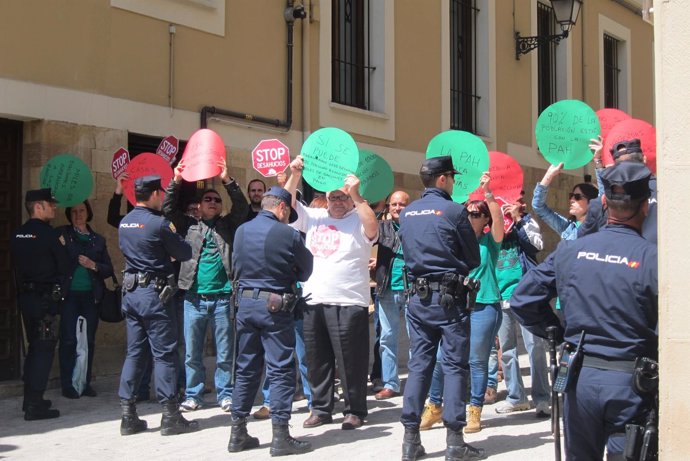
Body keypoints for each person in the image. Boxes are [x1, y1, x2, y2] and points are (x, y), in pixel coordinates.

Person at [510, 161, 658, 460]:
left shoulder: (570, 251)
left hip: (581, 377)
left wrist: (558, 332)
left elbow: (522, 299)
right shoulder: (654, 258)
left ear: (603, 203)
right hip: (631, 382)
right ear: (646, 207)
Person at [398, 156, 485, 461]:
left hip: (418, 298)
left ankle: (410, 440)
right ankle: (454, 442)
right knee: (454, 366)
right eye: (452, 177)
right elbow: (473, 257)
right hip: (449, 300)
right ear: (442, 179)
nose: (454, 182)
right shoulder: (453, 210)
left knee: (419, 365)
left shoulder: (406, 213)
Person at [285, 156, 378, 430]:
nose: (338, 201)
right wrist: (294, 175)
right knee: (317, 360)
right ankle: (321, 408)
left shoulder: (358, 217)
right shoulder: (314, 217)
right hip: (314, 301)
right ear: (326, 199)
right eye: (333, 197)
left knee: (352, 361)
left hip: (349, 301)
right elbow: (287, 206)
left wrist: (357, 195)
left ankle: (355, 409)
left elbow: (372, 228)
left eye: (343, 197)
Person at [228, 186, 314, 456]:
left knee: (246, 368)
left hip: (245, 304)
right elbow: (307, 271)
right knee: (280, 369)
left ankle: (237, 432)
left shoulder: (241, 230)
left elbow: (235, 265)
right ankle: (280, 436)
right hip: (275, 307)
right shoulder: (287, 234)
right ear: (282, 208)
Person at [420, 173, 504, 435]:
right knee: (441, 358)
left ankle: (474, 411)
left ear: (485, 219)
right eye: (468, 211)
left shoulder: (490, 242)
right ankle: (435, 406)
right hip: (456, 305)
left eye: (478, 213)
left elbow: (500, 221)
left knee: (476, 361)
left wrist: (487, 194)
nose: (472, 215)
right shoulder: (454, 241)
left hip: (484, 305)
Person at [163, 157, 248, 413]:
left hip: (223, 298)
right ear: (199, 206)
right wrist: (176, 180)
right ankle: (194, 395)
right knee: (192, 353)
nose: (213, 202)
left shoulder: (228, 225)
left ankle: (225, 394)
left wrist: (227, 181)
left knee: (224, 352)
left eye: (217, 200)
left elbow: (242, 207)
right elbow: (167, 209)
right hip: (193, 299)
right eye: (208, 199)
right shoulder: (189, 225)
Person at [117, 175, 198, 436]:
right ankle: (170, 414)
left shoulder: (125, 222)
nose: (162, 196)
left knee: (134, 353)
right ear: (152, 194)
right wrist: (168, 252)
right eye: (159, 193)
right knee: (164, 353)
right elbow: (185, 252)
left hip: (131, 294)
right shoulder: (160, 224)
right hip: (154, 295)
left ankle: (128, 415)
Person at [11, 188, 70, 420]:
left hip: (27, 299)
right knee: (43, 351)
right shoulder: (50, 235)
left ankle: (30, 399)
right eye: (50, 204)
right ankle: (35, 404)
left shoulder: (18, 234)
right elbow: (65, 265)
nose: (54, 207)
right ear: (38, 206)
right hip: (46, 301)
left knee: (34, 348)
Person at [492, 197, 550, 417]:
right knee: (506, 349)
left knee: (535, 346)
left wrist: (518, 219)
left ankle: (542, 397)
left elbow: (537, 245)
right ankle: (516, 397)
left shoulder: (526, 221)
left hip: (525, 296)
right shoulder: (492, 223)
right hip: (500, 295)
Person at [58, 200, 114, 399]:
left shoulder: (97, 240)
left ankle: (85, 382)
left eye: (81, 210)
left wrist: (93, 265)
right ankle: (68, 384)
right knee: (68, 339)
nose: (78, 214)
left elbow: (108, 269)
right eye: (73, 211)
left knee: (88, 340)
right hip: (69, 295)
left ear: (88, 212)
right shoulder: (63, 235)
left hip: (91, 296)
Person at [578, 138, 658, 243]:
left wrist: (598, 161)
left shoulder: (601, 203)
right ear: (644, 159)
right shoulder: (669, 192)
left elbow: (581, 238)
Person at [372, 190, 410, 400]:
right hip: (387, 288)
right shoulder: (382, 227)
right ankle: (390, 383)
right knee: (387, 338)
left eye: (401, 205)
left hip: (413, 288)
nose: (397, 208)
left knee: (417, 338)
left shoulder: (415, 226)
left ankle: (416, 381)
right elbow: (366, 234)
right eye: (393, 204)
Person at [532, 163, 598, 240]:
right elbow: (538, 206)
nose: (571, 200)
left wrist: (598, 162)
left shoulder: (601, 228)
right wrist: (549, 175)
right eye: (571, 196)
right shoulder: (567, 227)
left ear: (591, 202)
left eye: (577, 197)